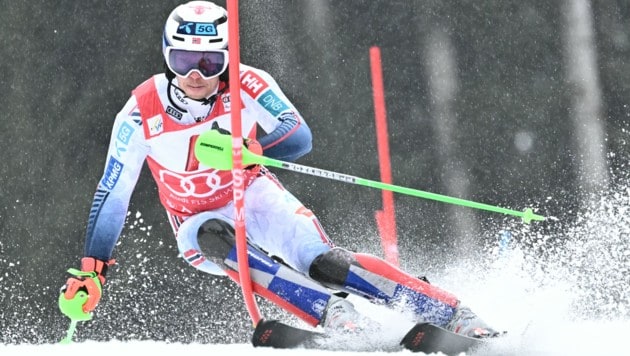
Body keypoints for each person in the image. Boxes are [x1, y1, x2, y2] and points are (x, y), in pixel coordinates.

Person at [60, 0, 498, 342]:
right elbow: (113, 193)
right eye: (183, 61)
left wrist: (254, 148)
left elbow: (297, 135)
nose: (196, 75)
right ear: (166, 56)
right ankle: (337, 316)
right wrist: (92, 269)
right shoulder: (141, 110)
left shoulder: (248, 82)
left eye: (211, 63)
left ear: (227, 58)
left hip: (252, 193)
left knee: (322, 262)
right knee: (214, 236)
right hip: (194, 221)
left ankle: (451, 312)